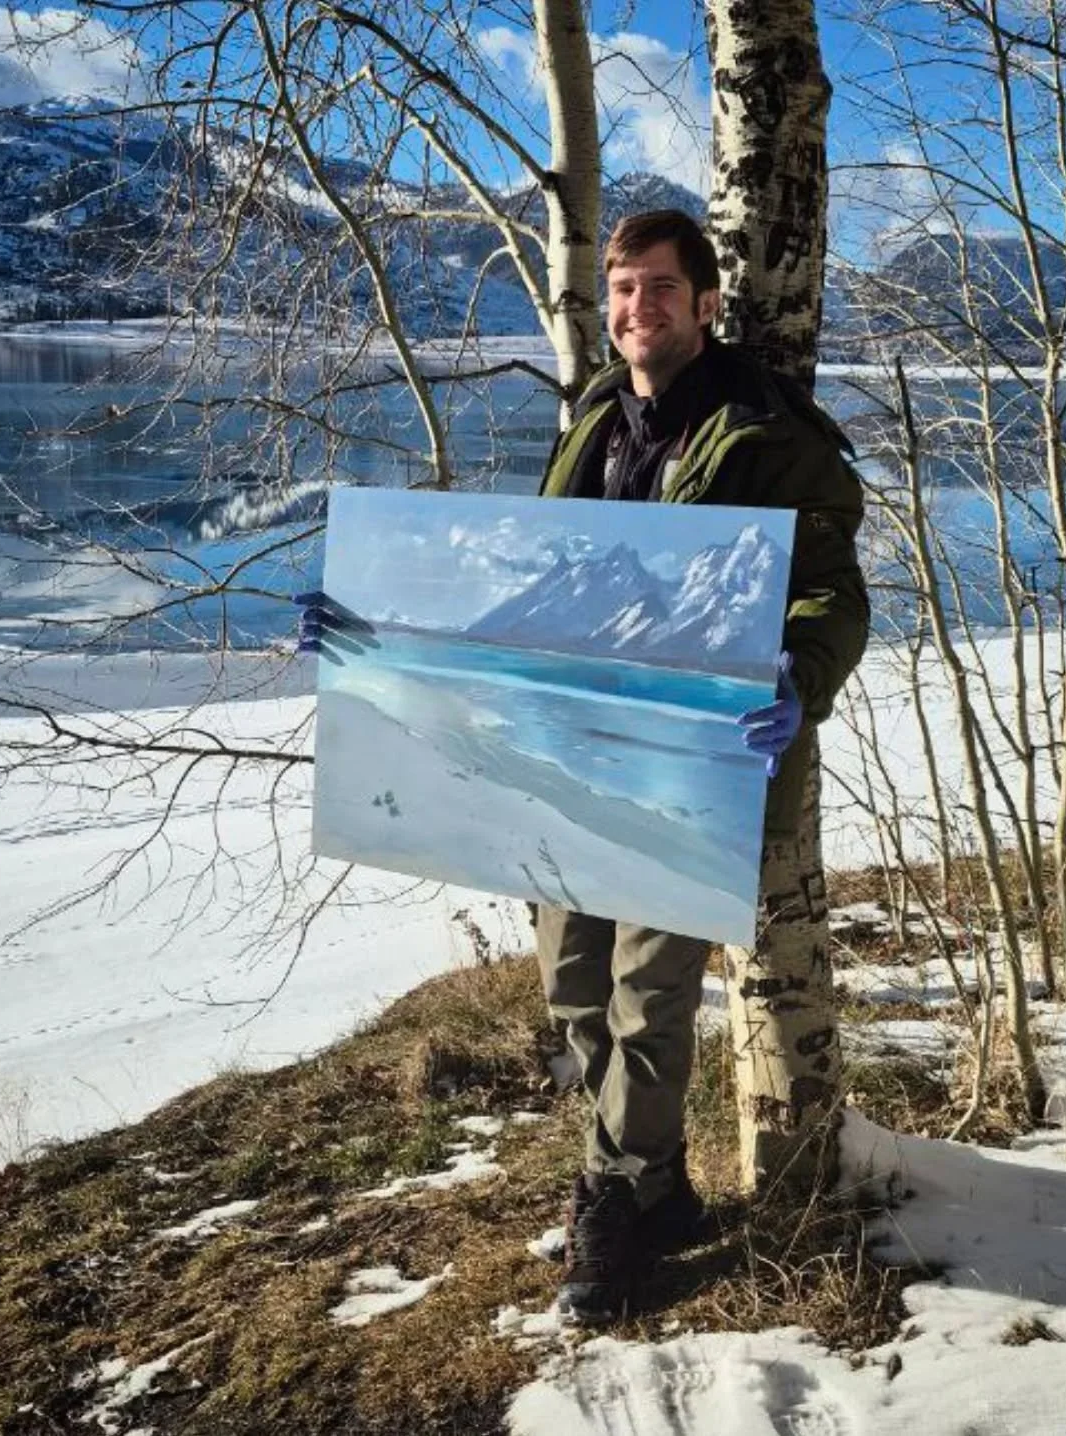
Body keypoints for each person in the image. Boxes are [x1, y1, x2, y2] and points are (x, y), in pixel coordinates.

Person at [299, 209, 869, 1325]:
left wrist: (798, 674)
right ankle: (657, 1186)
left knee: (648, 1000)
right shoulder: (597, 417)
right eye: (621, 290)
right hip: (566, 756)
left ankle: (611, 1211)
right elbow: (522, 583)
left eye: (660, 288)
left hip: (692, 768)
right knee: (573, 988)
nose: (636, 309)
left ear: (706, 303)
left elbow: (832, 591)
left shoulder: (770, 433)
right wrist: (373, 619)